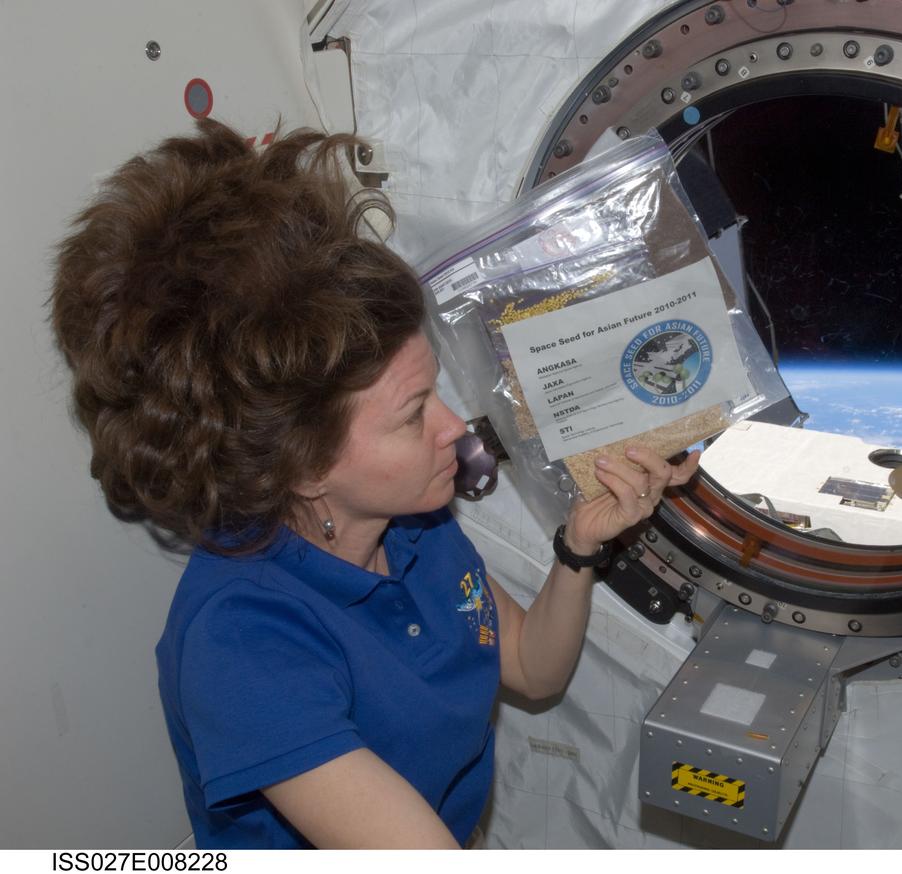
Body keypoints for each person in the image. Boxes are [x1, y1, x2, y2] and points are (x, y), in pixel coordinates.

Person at [48, 119, 701, 849]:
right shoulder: (243, 640)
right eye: (413, 413)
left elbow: (529, 669)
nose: (454, 427)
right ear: (302, 464)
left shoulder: (413, 524)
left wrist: (579, 550)